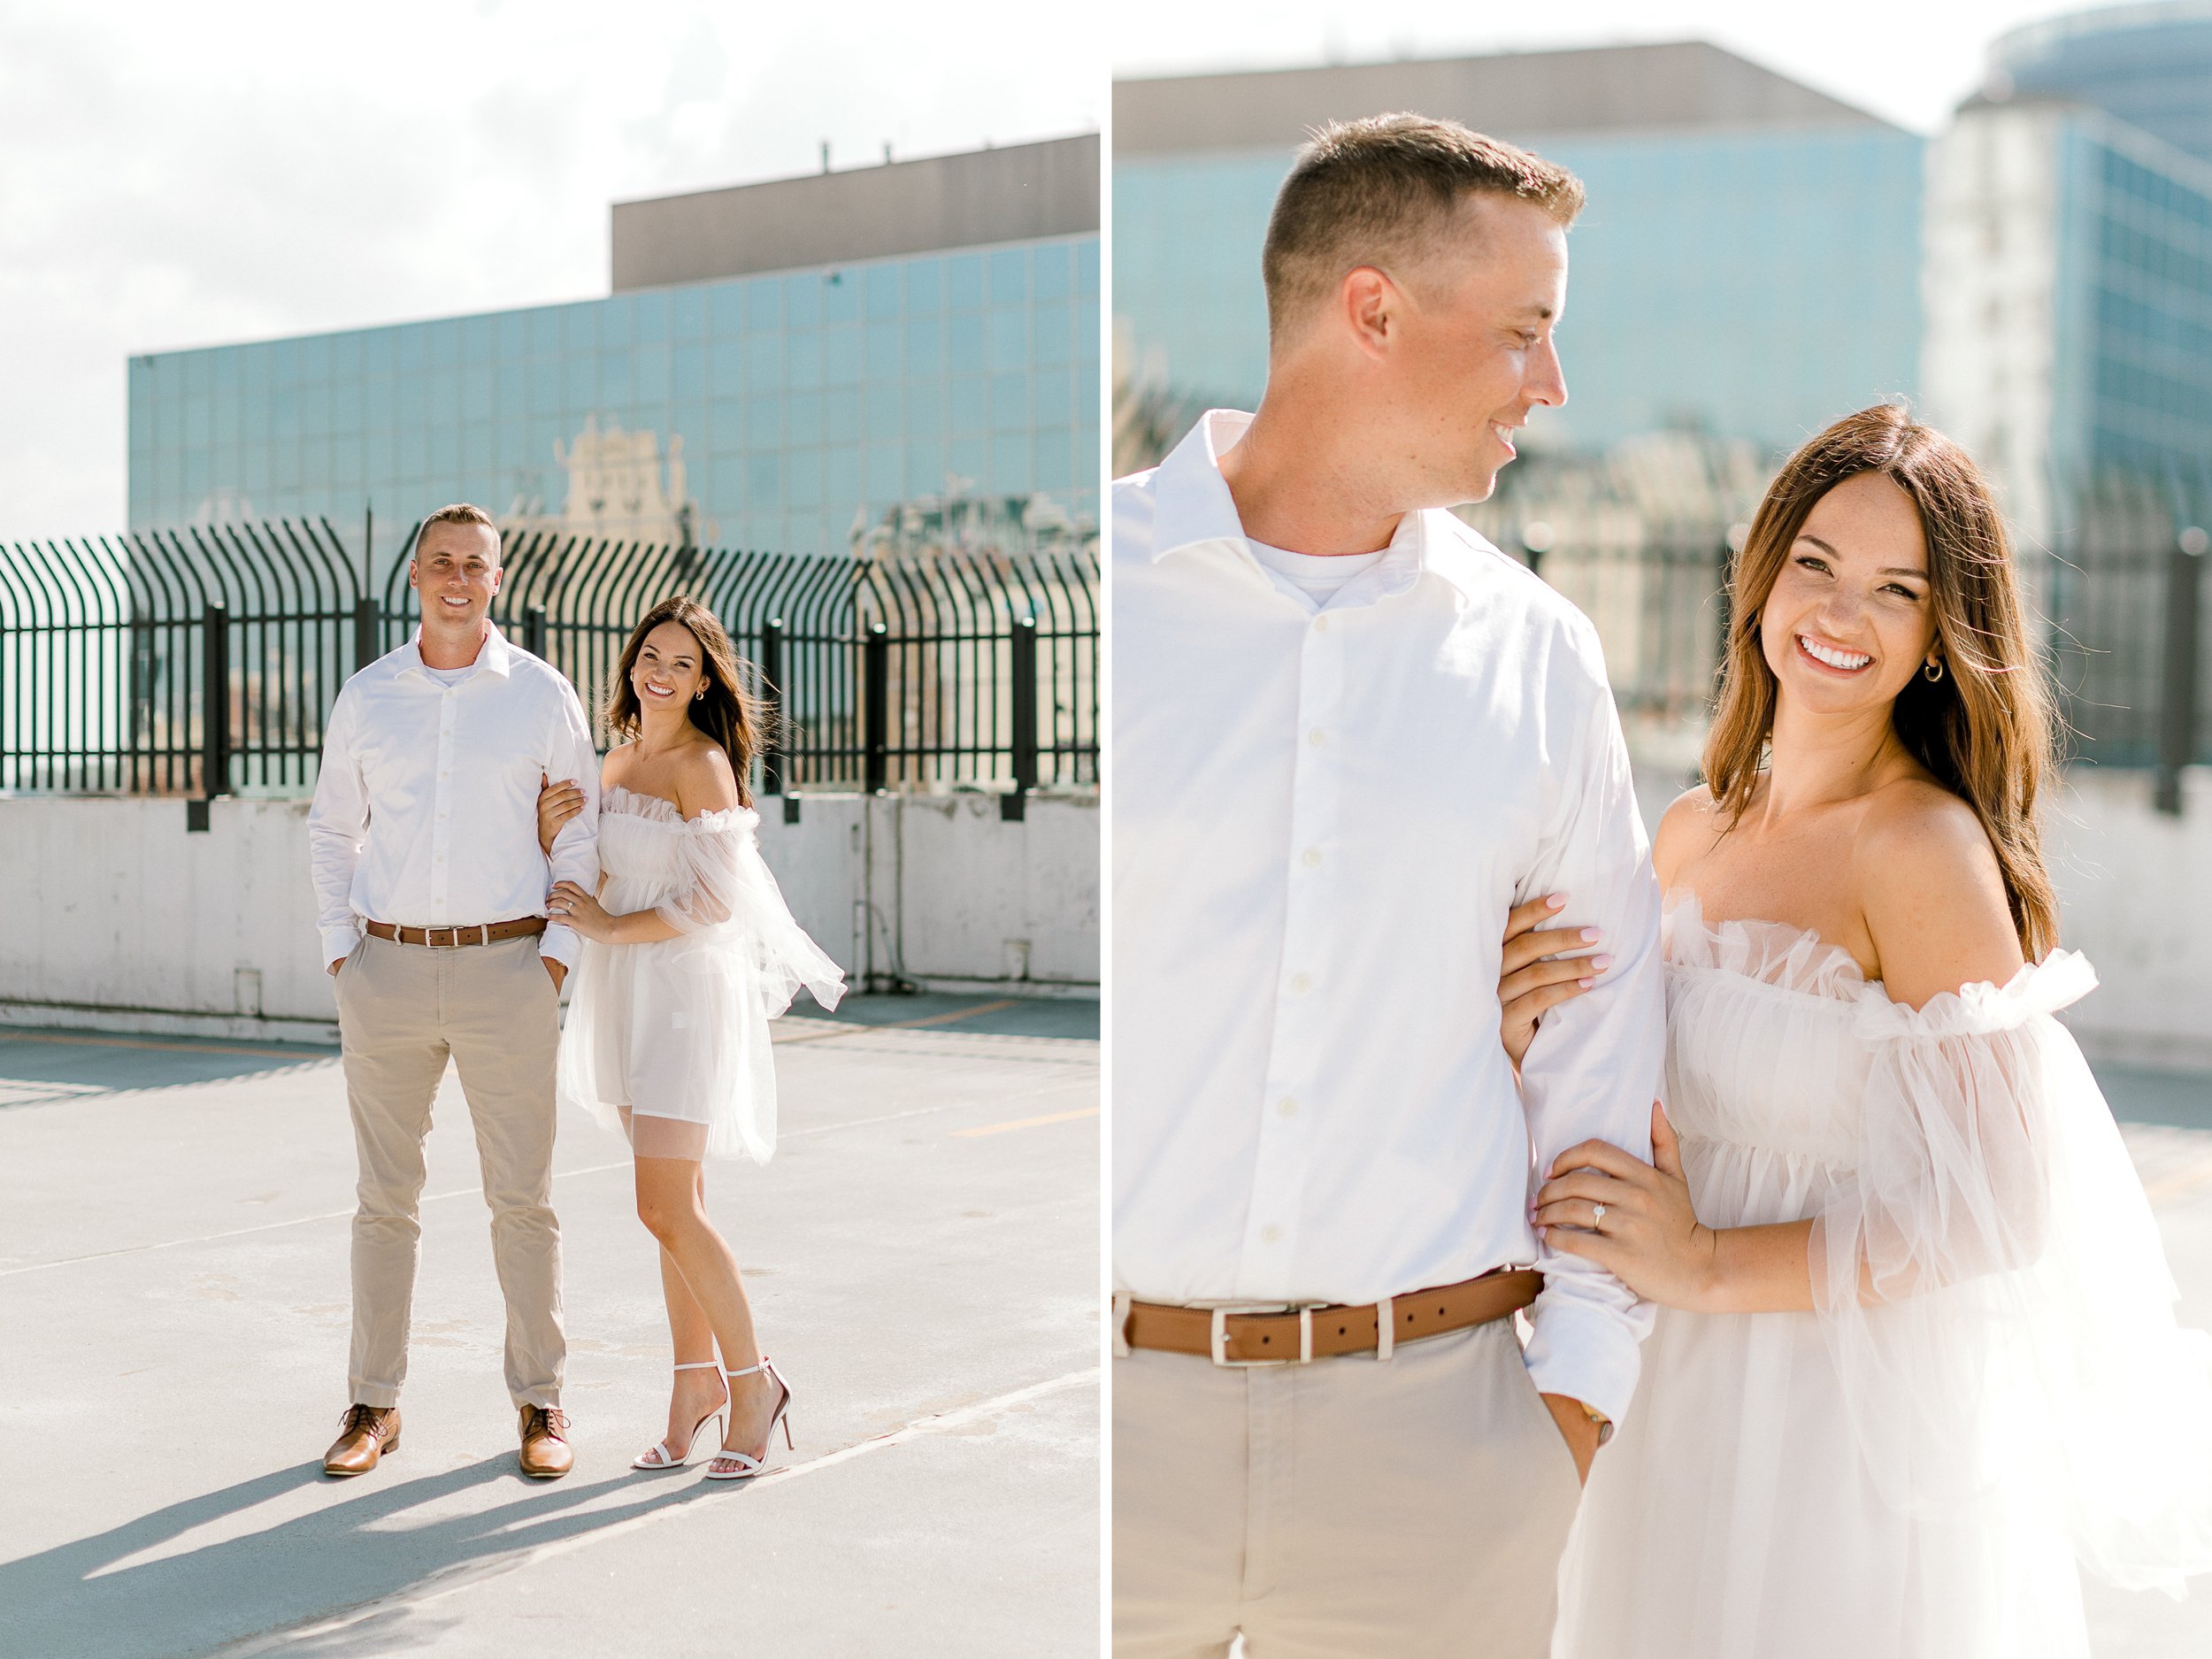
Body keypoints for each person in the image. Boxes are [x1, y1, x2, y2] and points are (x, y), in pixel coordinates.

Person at [1498, 403, 2212, 1658]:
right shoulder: (1685, 832)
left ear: (1942, 637)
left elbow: (2001, 1194)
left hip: (1837, 1426)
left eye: (1897, 588)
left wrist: (1712, 1261)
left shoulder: (1921, 846)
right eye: (1816, 563)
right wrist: (1523, 1029)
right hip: (1665, 1394)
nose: (1839, 613)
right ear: (1763, 573)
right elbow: (1619, 1095)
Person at [1111, 114, 1665, 1655]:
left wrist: (1568, 1414)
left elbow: (1606, 1063)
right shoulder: (1105, 605)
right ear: (1372, 311)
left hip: (1440, 1460)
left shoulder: (1538, 656)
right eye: (1524, 335)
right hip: (1103, 1449)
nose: (1550, 388)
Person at [307, 502, 599, 1480]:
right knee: (383, 1202)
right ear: (417, 576)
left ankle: (542, 1403)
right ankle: (374, 1406)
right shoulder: (369, 695)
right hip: (384, 971)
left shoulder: (540, 694)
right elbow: (330, 831)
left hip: (508, 970)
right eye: (441, 561)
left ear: (497, 580)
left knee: (525, 1200)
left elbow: (584, 831)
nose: (458, 577)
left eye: (476, 563)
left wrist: (553, 957)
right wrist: (343, 954)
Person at [534, 594, 842, 1479]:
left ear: (705, 681)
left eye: (681, 663)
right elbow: (596, 868)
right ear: (631, 665)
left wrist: (604, 928)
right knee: (677, 1213)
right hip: (622, 989)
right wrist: (559, 831)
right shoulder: (619, 758)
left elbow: (714, 903)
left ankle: (753, 1385)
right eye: (649, 657)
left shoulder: (703, 764)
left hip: (680, 992)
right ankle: (691, 1391)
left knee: (663, 1206)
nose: (659, 674)